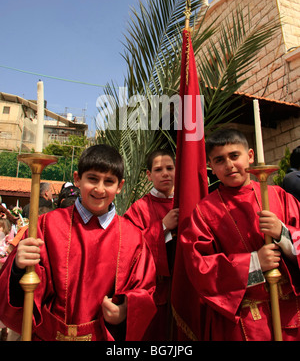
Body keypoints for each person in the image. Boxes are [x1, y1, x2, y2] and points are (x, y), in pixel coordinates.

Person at [0, 144, 156, 341]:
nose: (100, 189)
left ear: (120, 186)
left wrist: (125, 310)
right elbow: (29, 290)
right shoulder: (47, 225)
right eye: (92, 179)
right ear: (77, 179)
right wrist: (18, 268)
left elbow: (144, 290)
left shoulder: (134, 238)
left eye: (109, 181)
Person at [181, 128, 300, 341]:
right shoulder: (204, 212)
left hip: (291, 314)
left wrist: (282, 233)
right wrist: (254, 263)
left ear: (251, 156)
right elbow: (200, 268)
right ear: (211, 167)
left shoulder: (279, 196)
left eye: (235, 156)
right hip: (243, 323)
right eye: (219, 160)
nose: (229, 165)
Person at [124, 149, 179, 340]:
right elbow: (129, 249)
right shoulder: (139, 208)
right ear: (149, 175)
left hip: (184, 290)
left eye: (169, 168)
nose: (165, 173)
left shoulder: (187, 201)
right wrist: (163, 227)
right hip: (156, 293)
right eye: (158, 169)